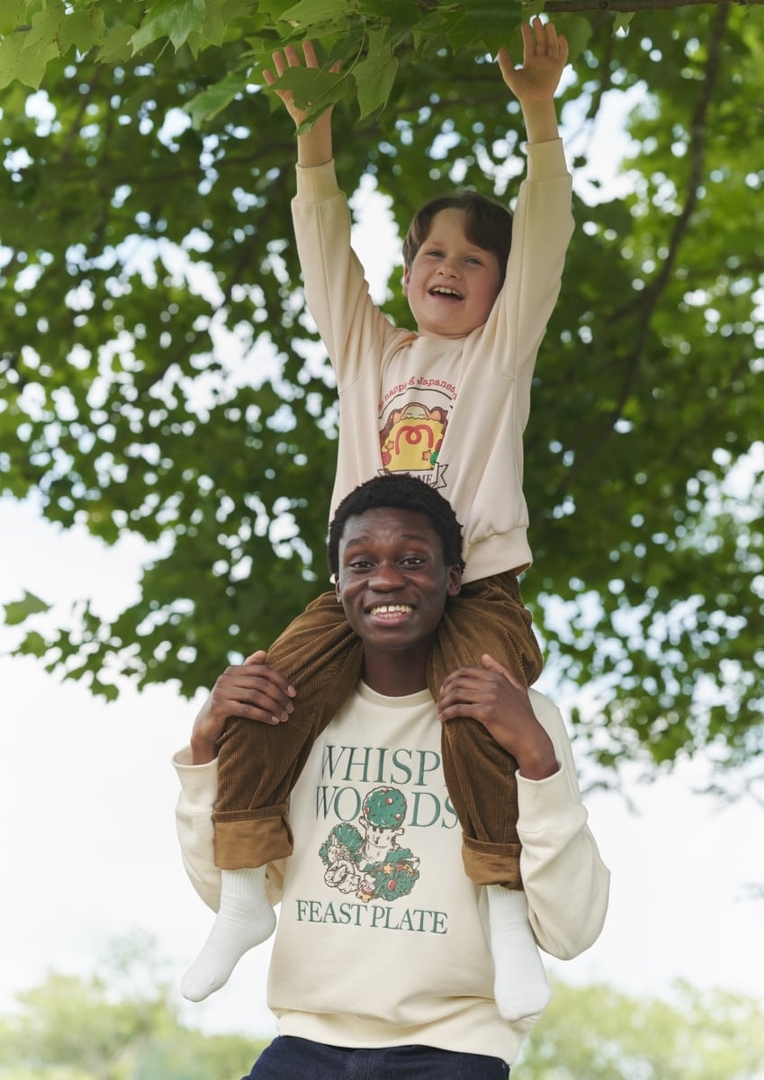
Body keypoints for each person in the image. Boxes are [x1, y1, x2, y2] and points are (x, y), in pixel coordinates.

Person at [181, 18, 575, 1021]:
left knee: (479, 712)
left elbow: (546, 238)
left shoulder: (497, 359)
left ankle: (500, 915)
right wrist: (313, 139)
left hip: (473, 584)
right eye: (432, 250)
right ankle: (239, 897)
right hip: (364, 584)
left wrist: (540, 120)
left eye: (476, 259)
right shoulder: (370, 355)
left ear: (501, 285)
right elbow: (326, 260)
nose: (450, 266)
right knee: (265, 691)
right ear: (408, 267)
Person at [175, 475, 610, 1078]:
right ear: (338, 585)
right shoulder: (292, 712)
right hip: (304, 1040)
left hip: (457, 1048)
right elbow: (231, 892)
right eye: (361, 563)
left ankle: (500, 909)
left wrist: (537, 759)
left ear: (453, 578)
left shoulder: (520, 716)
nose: (384, 579)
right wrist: (203, 750)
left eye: (412, 560)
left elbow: (572, 930)